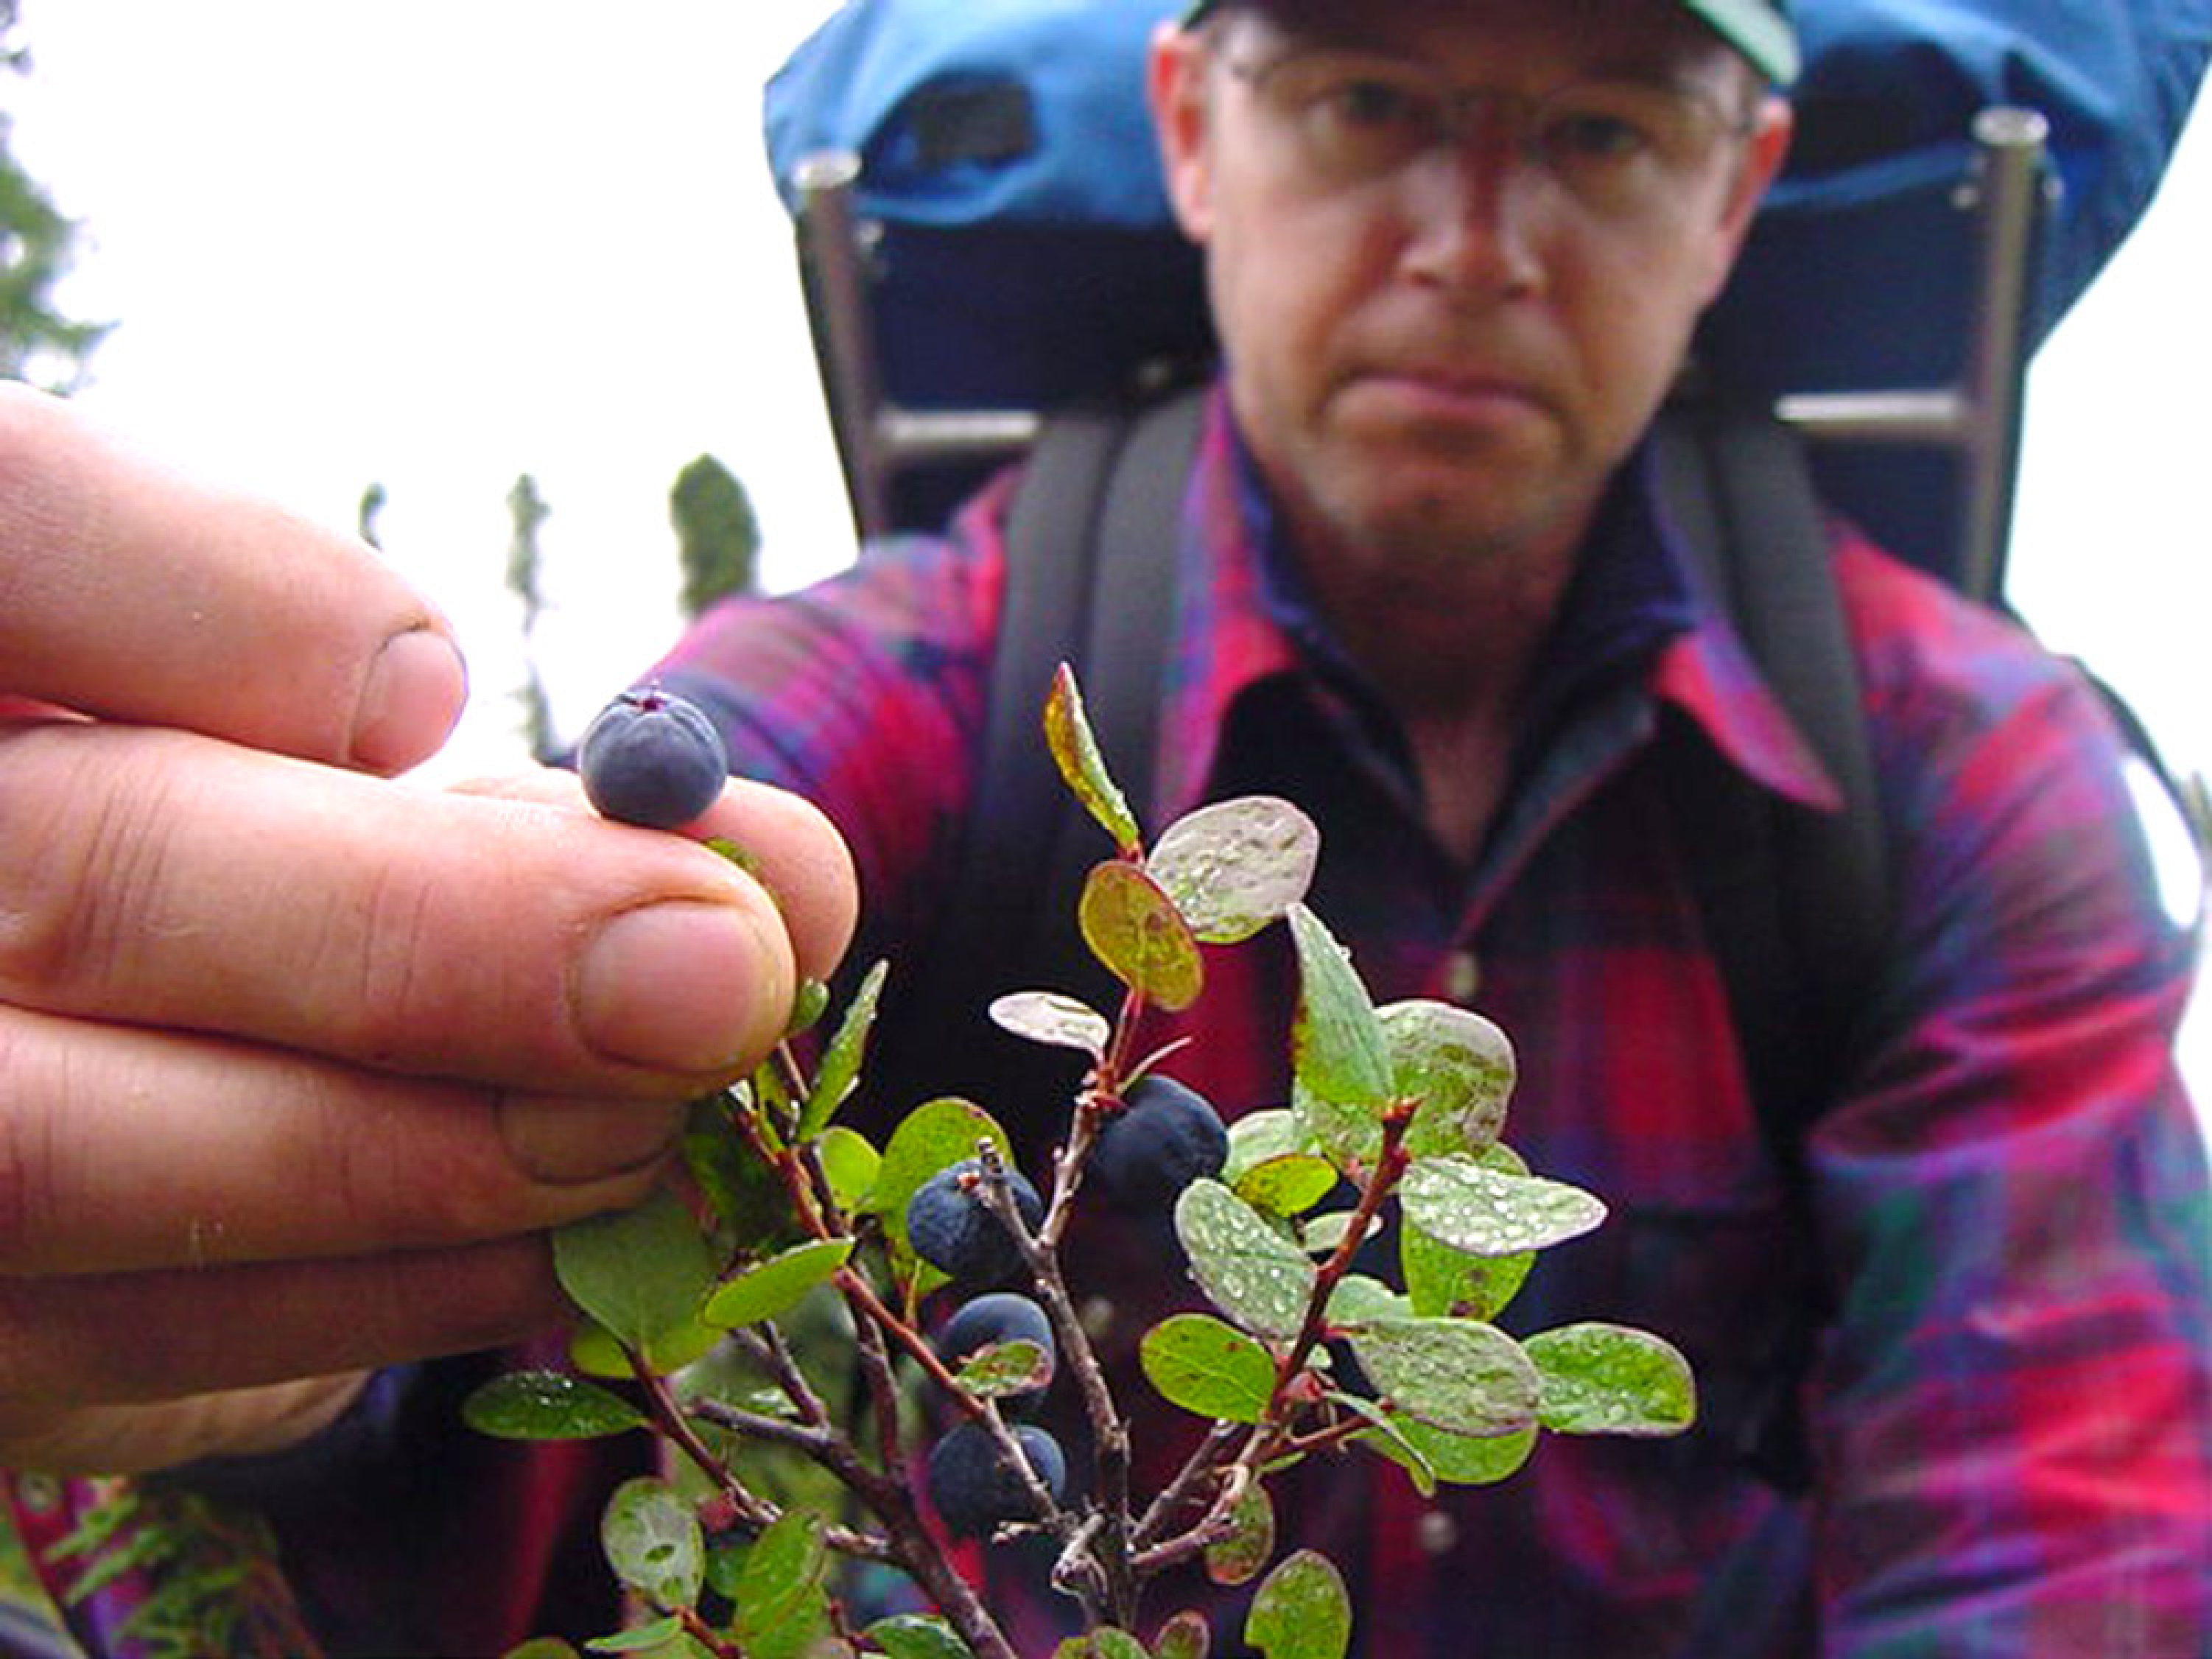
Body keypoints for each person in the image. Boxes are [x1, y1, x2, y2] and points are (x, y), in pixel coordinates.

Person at [7, 0, 2211, 1652]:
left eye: (1605, 127)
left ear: (1736, 196)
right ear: (1192, 125)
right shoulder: (933, 676)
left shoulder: (1956, 766)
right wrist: (302, 1271)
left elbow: (2051, 1518)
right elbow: (657, 902)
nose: (1472, 244)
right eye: (1366, 99)